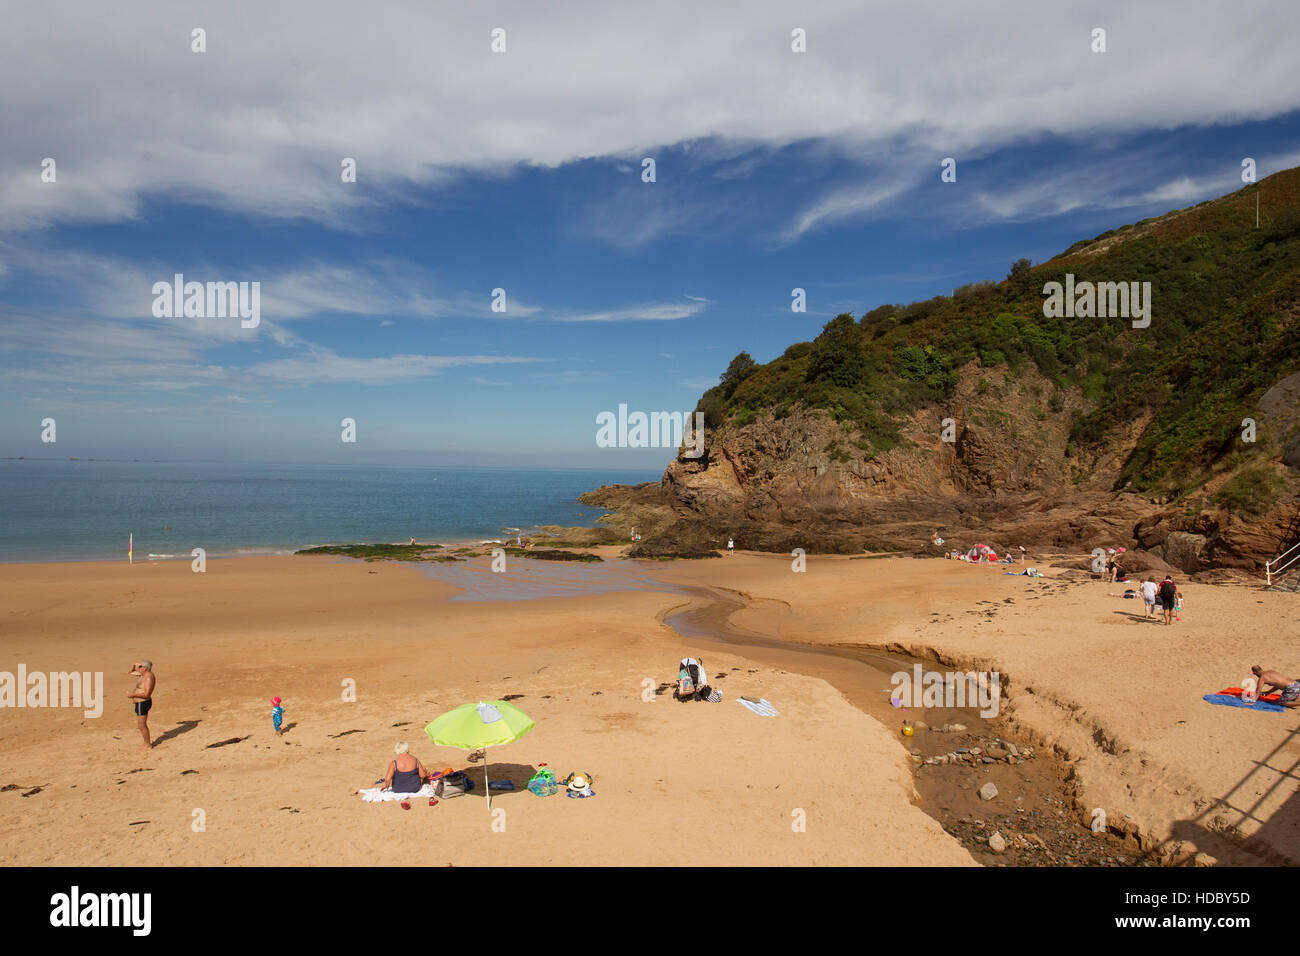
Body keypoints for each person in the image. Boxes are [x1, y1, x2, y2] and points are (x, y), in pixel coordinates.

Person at [127, 660, 155, 752]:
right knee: (141, 725)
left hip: (142, 703)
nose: (139, 668)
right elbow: (130, 673)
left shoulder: (149, 678)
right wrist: (134, 665)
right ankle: (146, 743)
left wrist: (132, 695)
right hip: (139, 703)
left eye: (140, 667)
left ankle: (147, 744)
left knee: (141, 725)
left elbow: (146, 694)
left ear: (146, 668)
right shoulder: (143, 675)